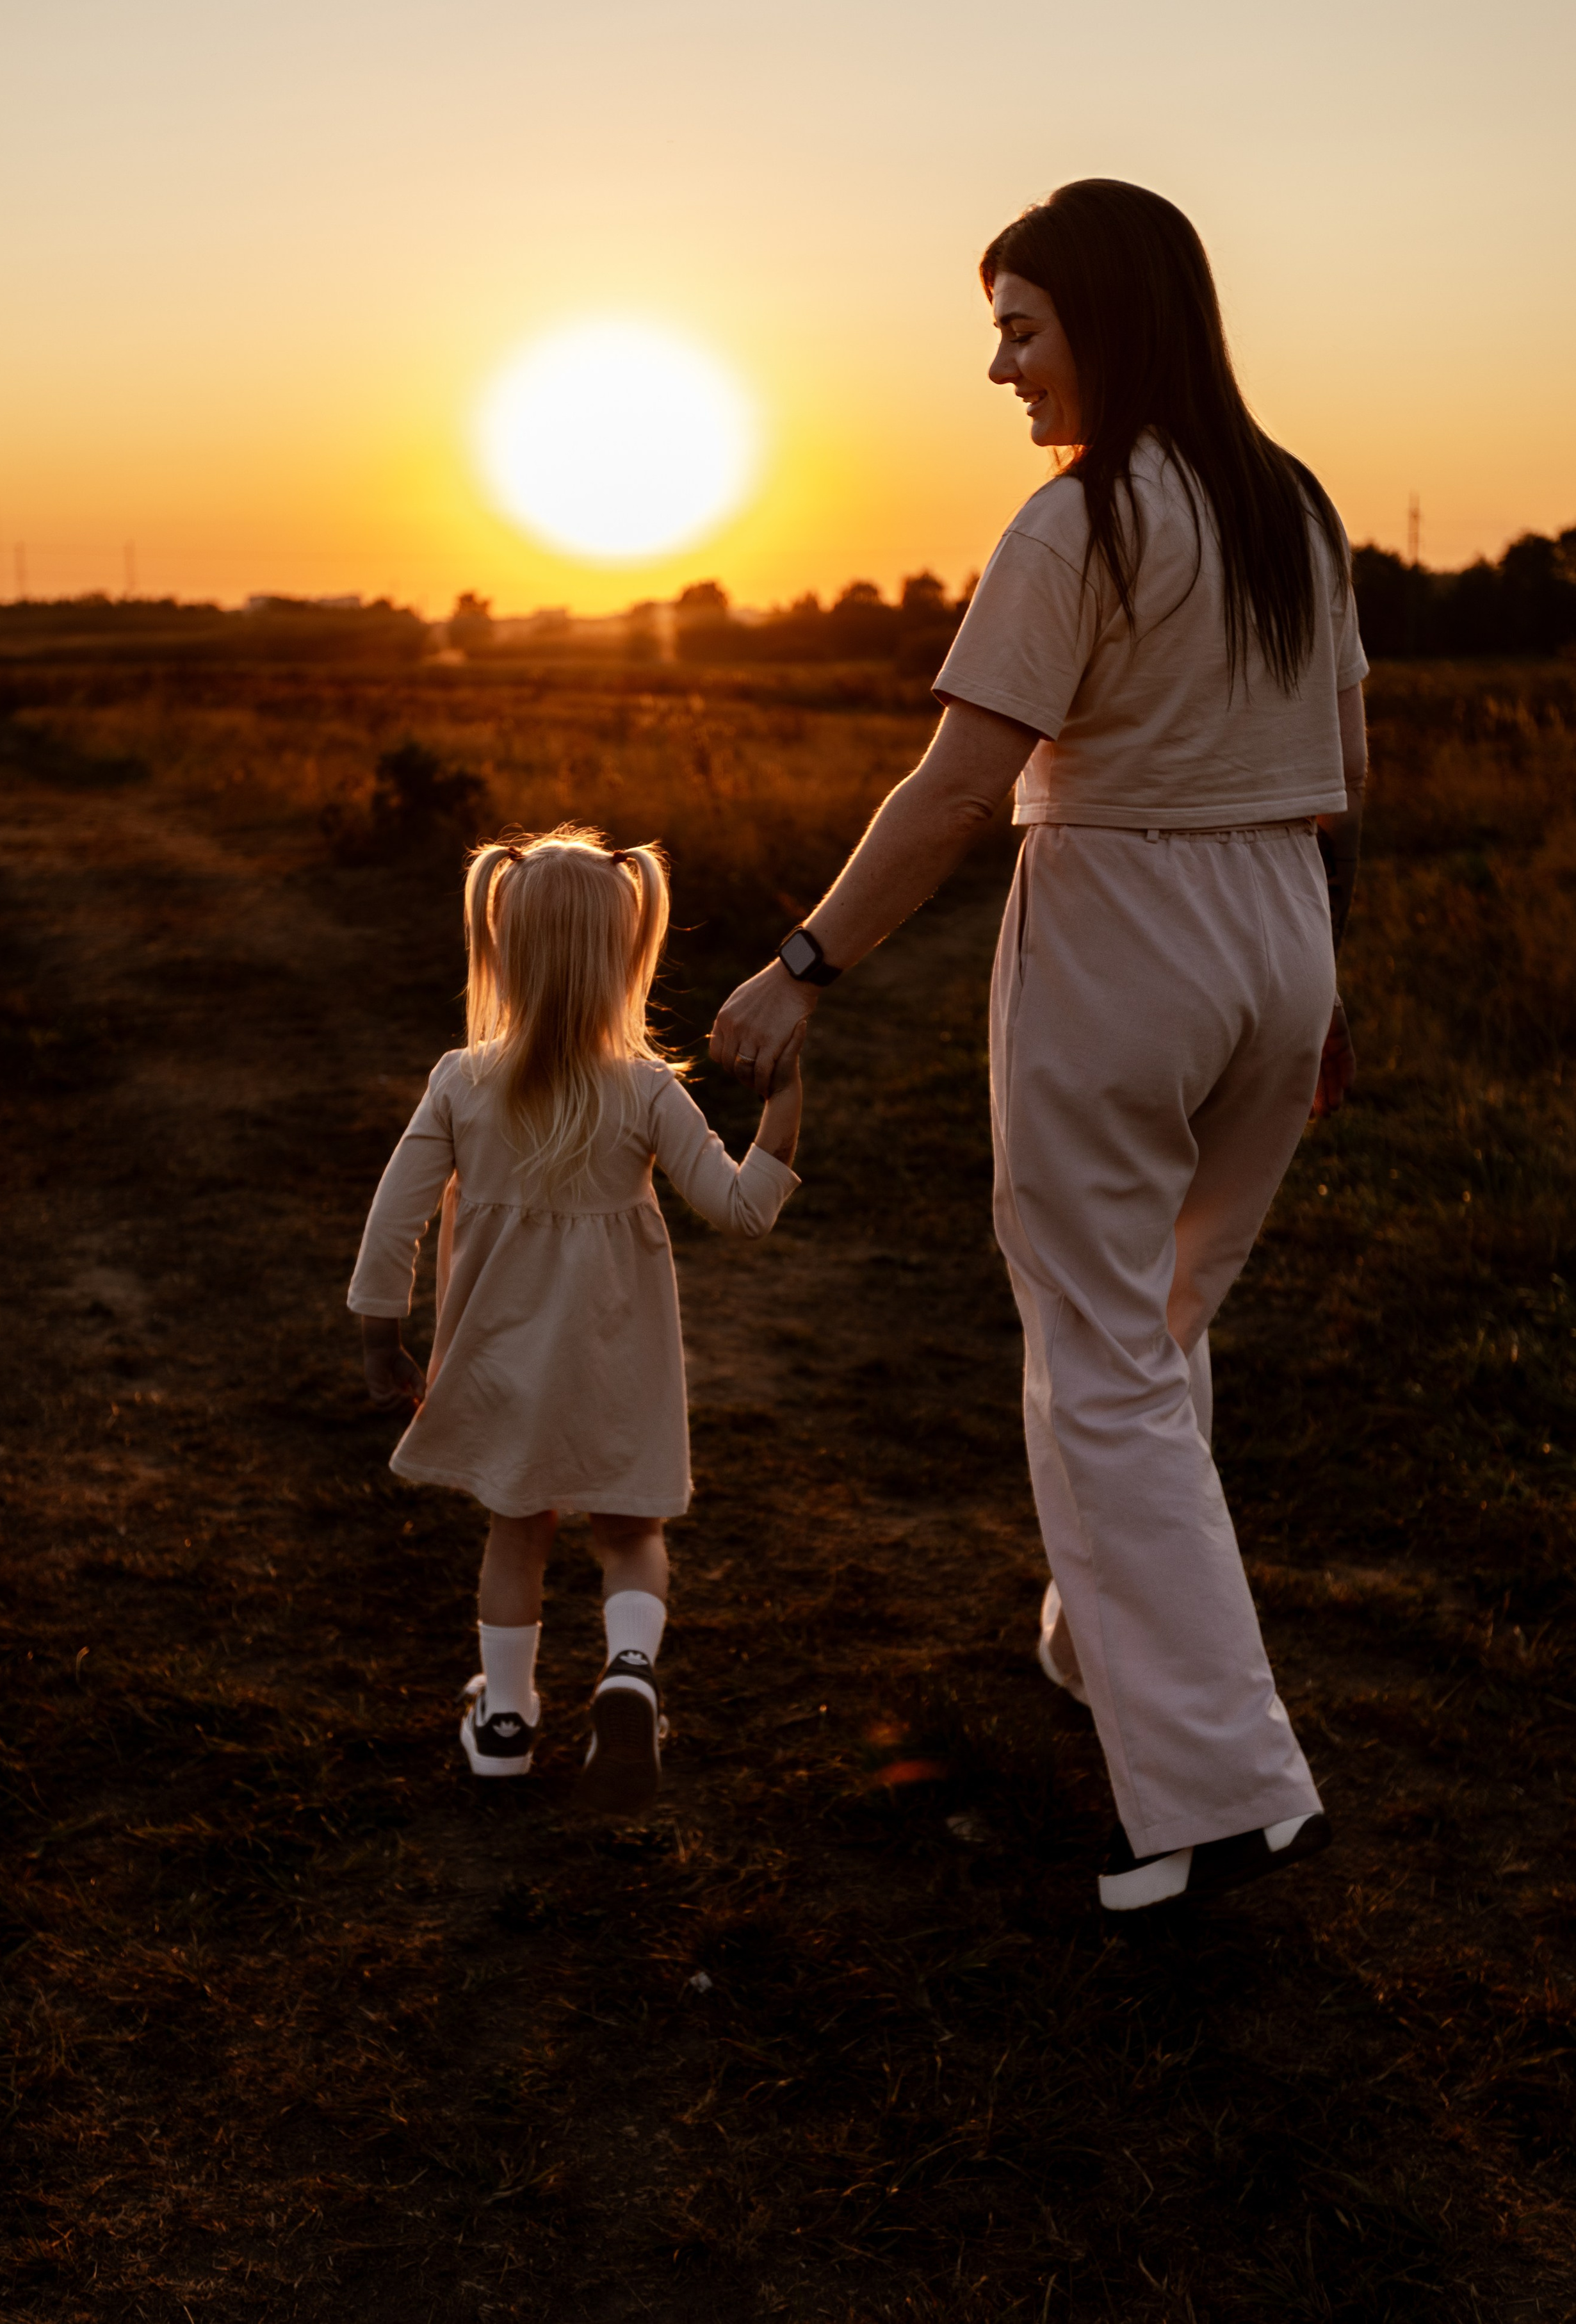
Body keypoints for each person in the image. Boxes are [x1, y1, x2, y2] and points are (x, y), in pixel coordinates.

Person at [711, 179, 1367, 1911]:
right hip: (1280, 936)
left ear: (1109, 323)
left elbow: (955, 790)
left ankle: (1228, 1801)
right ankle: (1110, 1648)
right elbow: (1345, 768)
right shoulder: (1293, 504)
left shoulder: (1078, 525)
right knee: (1160, 1327)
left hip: (1126, 936)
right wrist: (1330, 981)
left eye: (1020, 328)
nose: (999, 368)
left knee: (1099, 1363)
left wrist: (803, 964)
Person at [348, 827, 804, 1816]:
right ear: (623, 955)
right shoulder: (647, 1090)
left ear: (503, 948)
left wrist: (383, 1336)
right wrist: (784, 1105)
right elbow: (742, 1210)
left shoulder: (461, 1081)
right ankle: (631, 1670)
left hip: (504, 1363)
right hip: (620, 1363)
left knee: (517, 1533)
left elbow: (395, 1221)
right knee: (632, 1531)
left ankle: (505, 1722)